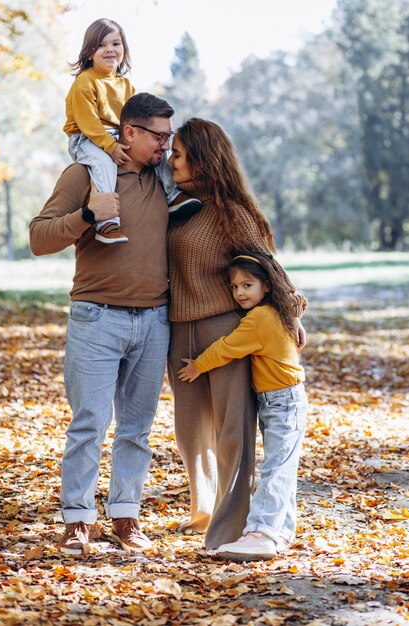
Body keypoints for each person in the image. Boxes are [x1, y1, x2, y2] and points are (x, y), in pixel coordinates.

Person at [30, 92, 176, 555]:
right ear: (128, 132)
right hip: (96, 318)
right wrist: (89, 214)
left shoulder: (165, 179)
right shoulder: (86, 174)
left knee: (137, 428)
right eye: (158, 136)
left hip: (155, 321)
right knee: (90, 423)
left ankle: (126, 516)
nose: (166, 147)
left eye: (170, 138)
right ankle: (77, 519)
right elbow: (38, 237)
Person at [166, 118, 308, 551]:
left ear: (203, 159)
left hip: (225, 328)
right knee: (190, 430)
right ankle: (204, 510)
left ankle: (231, 526)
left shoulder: (232, 213)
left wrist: (293, 310)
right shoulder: (177, 206)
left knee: (232, 432)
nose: (171, 161)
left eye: (178, 154)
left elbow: (267, 264)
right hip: (179, 329)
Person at [177, 251, 308, 561]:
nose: (239, 293)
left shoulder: (260, 319)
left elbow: (227, 348)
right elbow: (297, 302)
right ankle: (281, 531)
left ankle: (262, 533)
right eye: (234, 286)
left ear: (266, 286)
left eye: (247, 285)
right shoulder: (273, 311)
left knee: (277, 467)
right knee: (283, 465)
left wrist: (198, 366)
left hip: (284, 401)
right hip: (278, 399)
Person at [64, 18, 201, 245]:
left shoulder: (125, 85)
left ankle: (172, 195)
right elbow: (88, 123)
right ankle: (107, 222)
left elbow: (134, 121)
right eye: (101, 45)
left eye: (115, 44)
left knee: (155, 146)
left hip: (117, 134)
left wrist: (141, 140)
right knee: (104, 163)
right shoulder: (84, 82)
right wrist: (110, 147)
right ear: (89, 53)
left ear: (124, 50)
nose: (109, 49)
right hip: (86, 138)